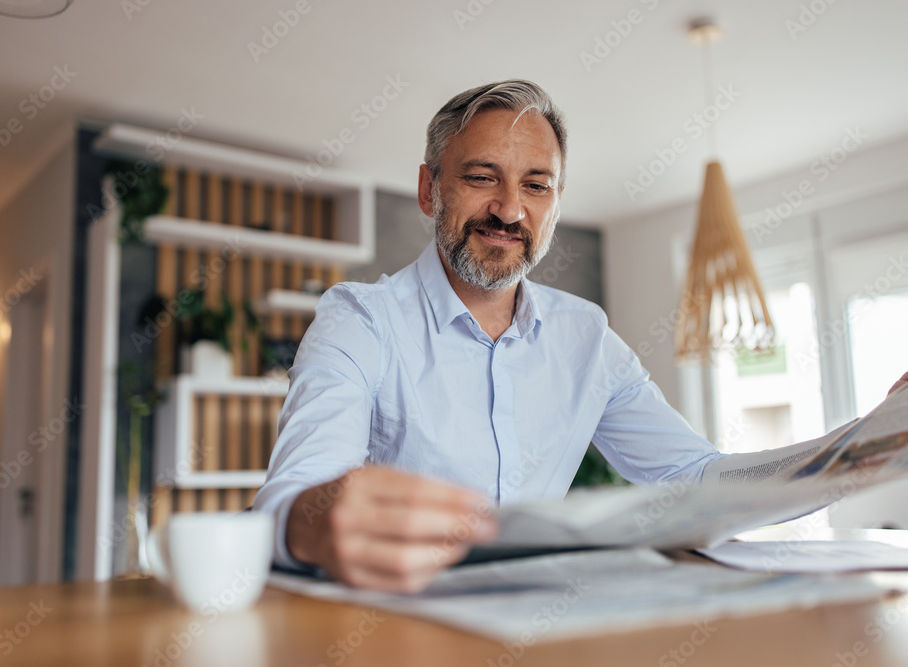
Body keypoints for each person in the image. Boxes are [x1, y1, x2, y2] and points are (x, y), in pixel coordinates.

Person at [251, 80, 903, 593]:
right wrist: (321, 518)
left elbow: (695, 476)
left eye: (536, 185)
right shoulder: (359, 320)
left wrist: (851, 450)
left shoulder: (586, 336)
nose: (510, 209)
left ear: (556, 203)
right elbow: (288, 498)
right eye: (482, 177)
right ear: (429, 190)